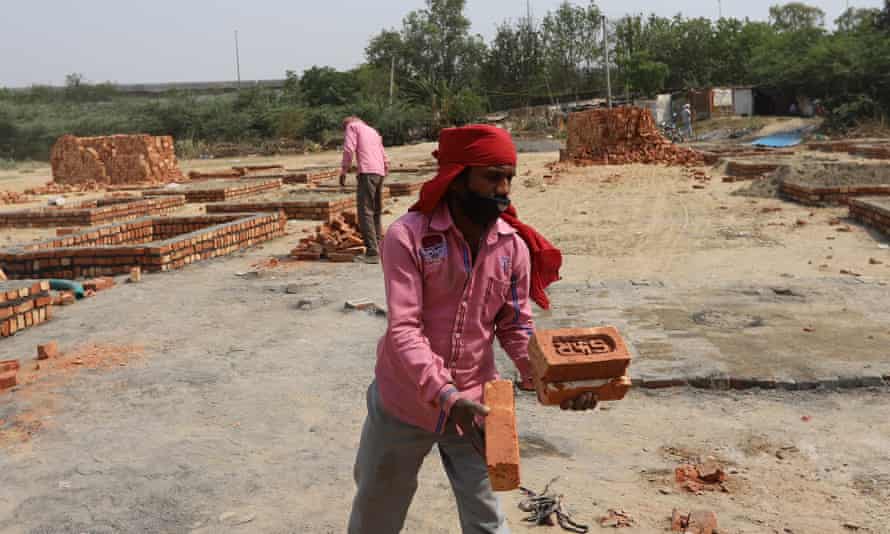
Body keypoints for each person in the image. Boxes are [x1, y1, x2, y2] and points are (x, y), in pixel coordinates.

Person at [347, 125, 597, 534]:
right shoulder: (407, 237)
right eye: (492, 176)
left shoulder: (511, 246)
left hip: (476, 406)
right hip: (404, 401)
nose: (504, 189)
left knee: (487, 520)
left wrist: (552, 381)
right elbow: (404, 330)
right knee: (377, 511)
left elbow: (516, 326)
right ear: (457, 176)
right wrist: (445, 394)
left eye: (509, 178)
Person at [340, 116, 390, 264]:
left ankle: (372, 253)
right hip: (379, 172)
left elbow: (349, 149)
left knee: (365, 211)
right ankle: (380, 248)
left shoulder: (352, 127)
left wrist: (344, 170)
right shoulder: (373, 131)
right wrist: (384, 170)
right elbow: (384, 156)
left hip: (367, 173)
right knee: (375, 211)